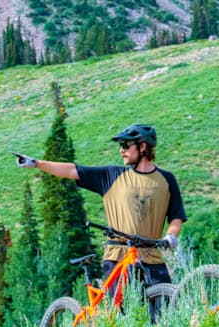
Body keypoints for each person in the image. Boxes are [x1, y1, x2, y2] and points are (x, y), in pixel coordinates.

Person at [15, 123, 186, 294]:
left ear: (143, 146)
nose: (121, 150)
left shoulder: (166, 180)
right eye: (120, 146)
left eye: (126, 145)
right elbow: (73, 170)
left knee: (167, 310)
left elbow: (176, 218)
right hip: (118, 256)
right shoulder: (112, 175)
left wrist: (170, 236)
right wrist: (36, 163)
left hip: (152, 257)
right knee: (120, 315)